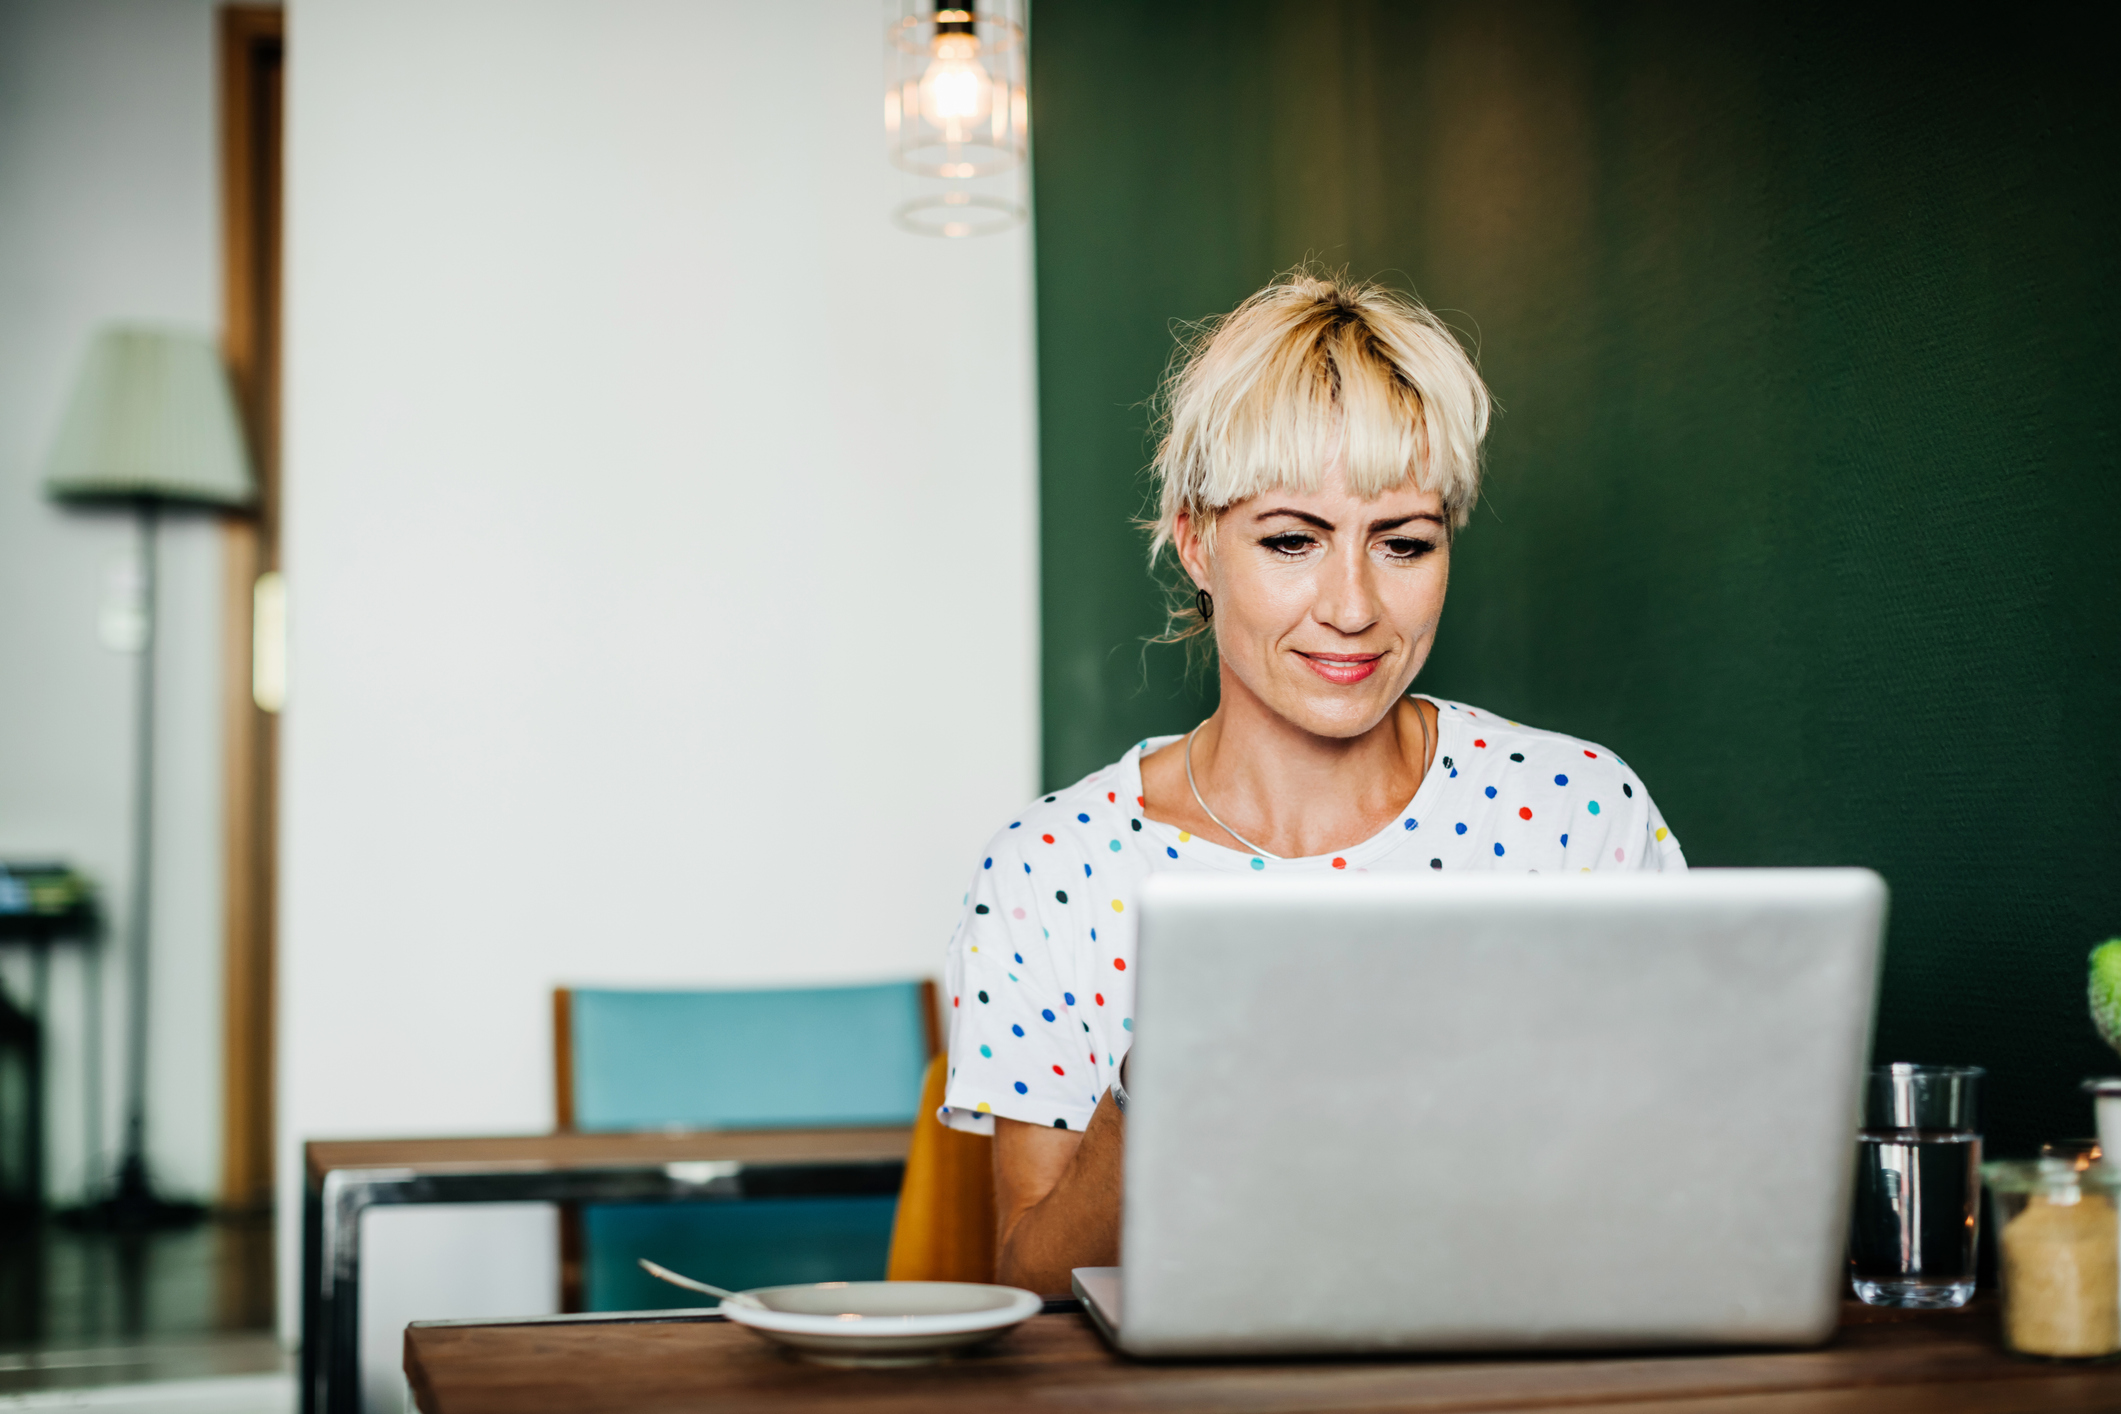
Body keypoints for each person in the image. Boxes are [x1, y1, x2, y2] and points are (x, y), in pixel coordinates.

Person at [939, 270, 1687, 1295]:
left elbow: (1678, 1195)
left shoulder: (1577, 814)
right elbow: (1030, 1281)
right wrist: (1166, 1067)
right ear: (1197, 541)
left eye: (1405, 543)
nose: (1352, 606)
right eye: (1292, 540)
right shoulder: (1051, 869)